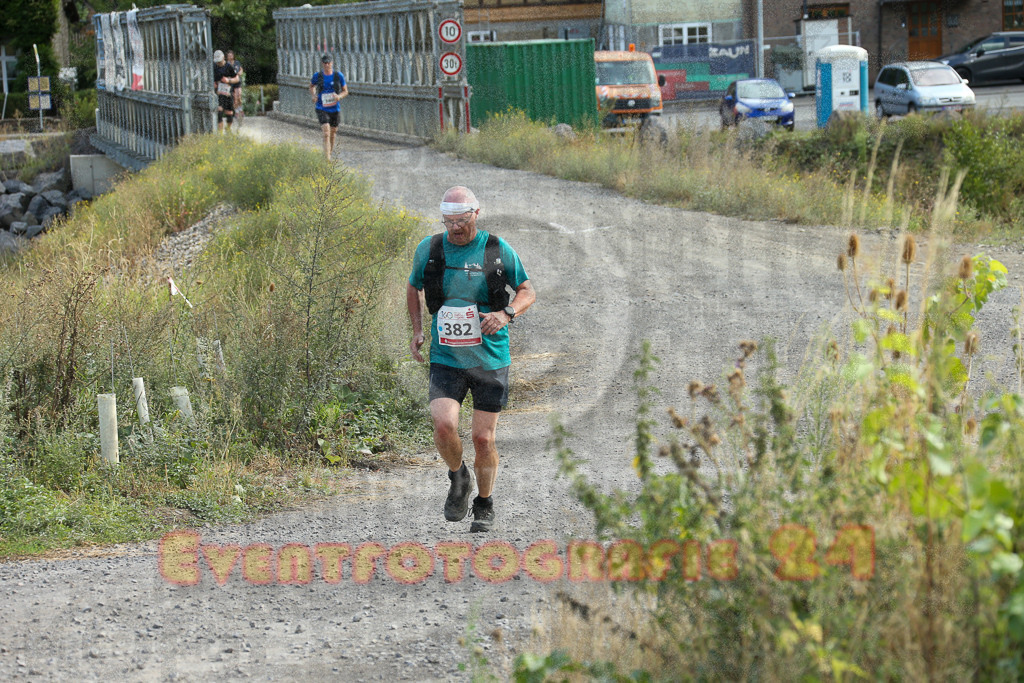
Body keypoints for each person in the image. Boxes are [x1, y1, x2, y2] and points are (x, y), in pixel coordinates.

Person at [407, 186, 536, 533]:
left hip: (491, 357)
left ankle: (484, 502)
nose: (455, 229)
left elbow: (527, 290)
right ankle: (458, 476)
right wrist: (418, 329)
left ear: (476, 214)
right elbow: (413, 286)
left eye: (461, 221)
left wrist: (507, 313)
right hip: (447, 355)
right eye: (448, 222)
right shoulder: (430, 249)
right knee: (444, 426)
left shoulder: (496, 249)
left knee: (483, 439)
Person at [309, 54, 349, 160]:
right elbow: (312, 86)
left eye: (329, 63)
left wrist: (339, 96)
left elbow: (345, 91)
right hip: (321, 107)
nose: (327, 65)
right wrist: (313, 95)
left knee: (333, 132)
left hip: (334, 108)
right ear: (322, 64)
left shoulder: (338, 76)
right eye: (325, 63)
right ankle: (327, 160)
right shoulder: (317, 76)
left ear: (332, 63)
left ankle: (329, 153)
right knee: (326, 132)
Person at [213, 50, 239, 133]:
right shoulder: (214, 67)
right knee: (219, 112)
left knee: (229, 113)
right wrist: (214, 84)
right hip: (218, 94)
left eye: (220, 62)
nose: (219, 63)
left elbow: (237, 79)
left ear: (223, 58)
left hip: (227, 93)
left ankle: (228, 130)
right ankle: (220, 134)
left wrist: (228, 80)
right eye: (217, 62)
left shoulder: (228, 66)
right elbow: (211, 79)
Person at [226, 50, 244, 124]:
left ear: (233, 56)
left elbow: (241, 69)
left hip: (237, 81)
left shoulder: (237, 62)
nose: (230, 57)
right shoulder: (226, 64)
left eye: (231, 55)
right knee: (235, 98)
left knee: (239, 95)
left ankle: (241, 109)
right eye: (229, 55)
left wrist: (240, 73)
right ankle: (237, 111)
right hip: (231, 82)